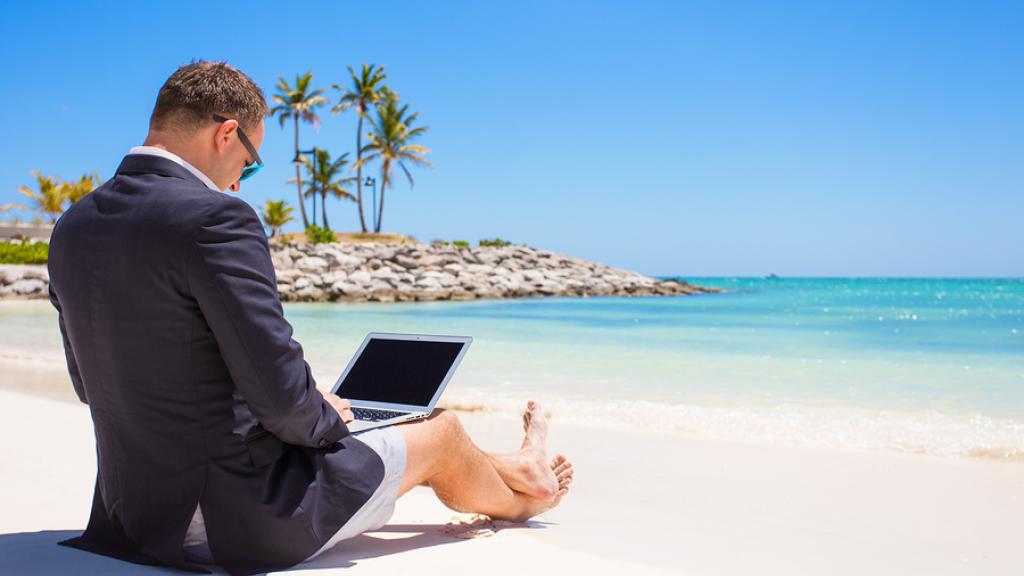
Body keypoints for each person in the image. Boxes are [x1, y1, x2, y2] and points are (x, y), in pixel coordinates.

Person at [47, 60, 573, 576]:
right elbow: (280, 402)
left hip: (135, 517)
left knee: (360, 418)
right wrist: (326, 417)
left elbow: (91, 385)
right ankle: (530, 498)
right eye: (250, 163)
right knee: (441, 430)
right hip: (234, 521)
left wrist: (299, 402)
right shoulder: (216, 218)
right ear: (226, 134)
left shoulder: (73, 224)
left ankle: (518, 465)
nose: (240, 183)